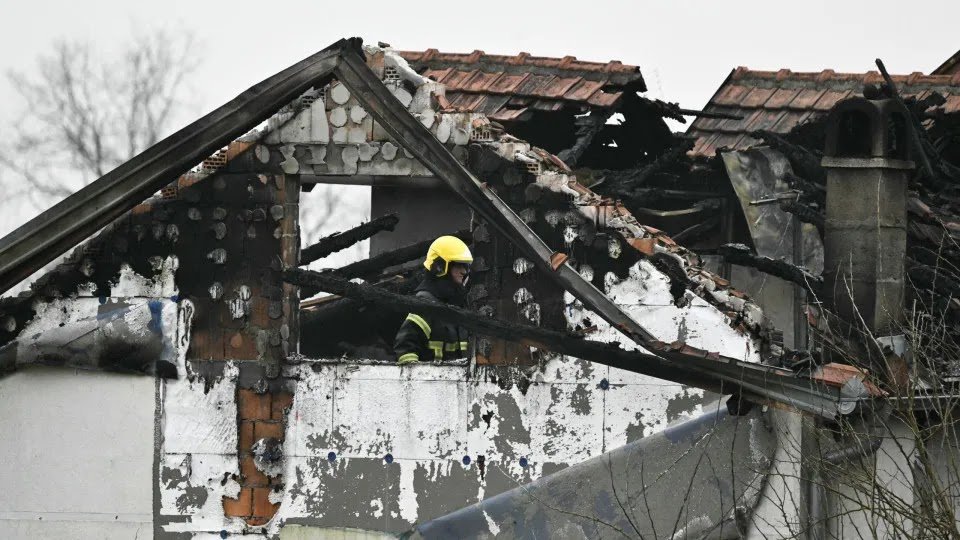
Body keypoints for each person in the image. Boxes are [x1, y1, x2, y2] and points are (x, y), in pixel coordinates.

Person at [394, 235, 473, 365]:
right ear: (440, 267)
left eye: (465, 266)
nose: (464, 271)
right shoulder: (426, 304)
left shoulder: (459, 303)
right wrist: (416, 377)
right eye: (458, 265)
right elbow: (405, 347)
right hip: (433, 383)